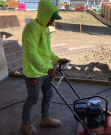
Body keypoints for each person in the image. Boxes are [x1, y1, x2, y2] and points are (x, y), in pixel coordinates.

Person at [21, 0, 68, 134]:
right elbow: (31, 53)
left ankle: (45, 118)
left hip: (45, 70)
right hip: (33, 72)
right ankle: (25, 123)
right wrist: (46, 69)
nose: (53, 21)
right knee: (33, 98)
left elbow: (46, 51)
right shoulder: (32, 27)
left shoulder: (45, 29)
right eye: (52, 17)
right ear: (44, 14)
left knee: (48, 94)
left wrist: (58, 59)